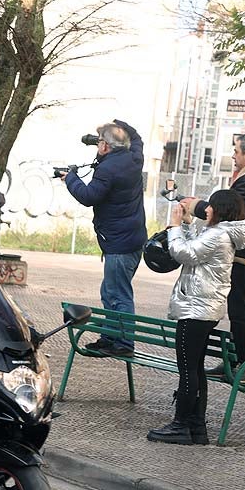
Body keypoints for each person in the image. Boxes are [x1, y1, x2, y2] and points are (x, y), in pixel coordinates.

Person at [146, 190, 245, 445]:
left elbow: (186, 254)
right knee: (196, 368)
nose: (207, 209)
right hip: (204, 307)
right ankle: (196, 427)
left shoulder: (218, 234)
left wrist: (173, 227)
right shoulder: (221, 233)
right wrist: (187, 225)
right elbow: (196, 250)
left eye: (212, 206)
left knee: (187, 369)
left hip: (196, 308)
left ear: (221, 209)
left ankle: (181, 424)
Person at [182, 133, 245, 384]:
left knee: (240, 311)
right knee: (237, 309)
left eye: (236, 152)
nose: (233, 156)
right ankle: (236, 363)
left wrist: (195, 206)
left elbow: (227, 212)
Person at [62, 119, 146, 358]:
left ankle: (124, 344)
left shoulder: (109, 169)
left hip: (119, 243)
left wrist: (70, 178)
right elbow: (137, 138)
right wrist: (119, 124)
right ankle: (110, 337)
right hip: (130, 239)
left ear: (105, 147)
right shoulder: (133, 158)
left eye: (99, 141)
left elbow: (89, 196)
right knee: (110, 292)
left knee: (118, 294)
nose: (97, 144)